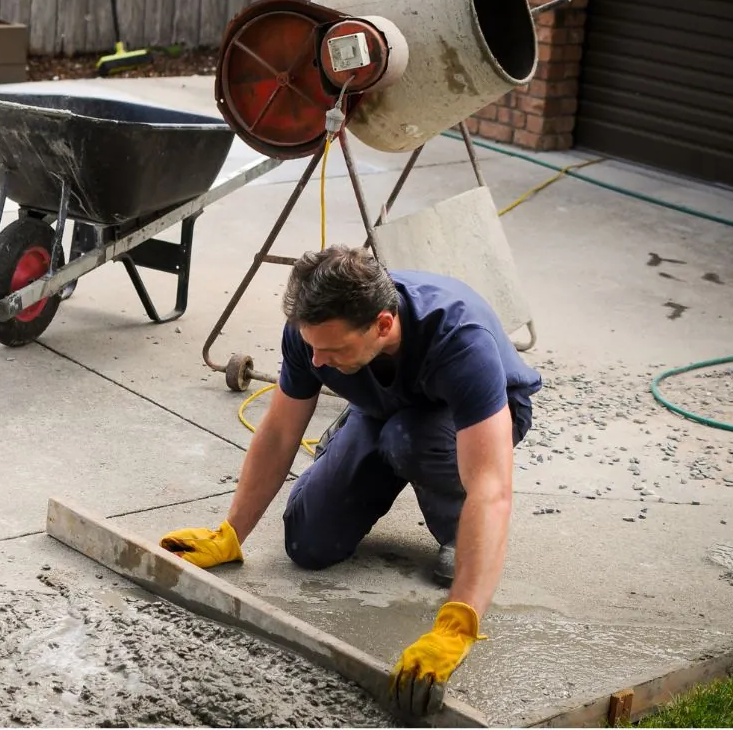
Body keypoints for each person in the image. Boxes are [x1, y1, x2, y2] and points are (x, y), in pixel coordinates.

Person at [160, 245, 542, 718]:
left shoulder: (460, 341)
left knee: (408, 440)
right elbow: (280, 431)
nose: (316, 361)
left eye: (333, 349)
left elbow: (491, 486)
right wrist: (231, 532)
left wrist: (458, 622)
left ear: (383, 325)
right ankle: (368, 433)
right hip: (382, 406)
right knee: (308, 543)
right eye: (312, 347)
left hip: (480, 418)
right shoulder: (313, 336)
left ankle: (454, 531)